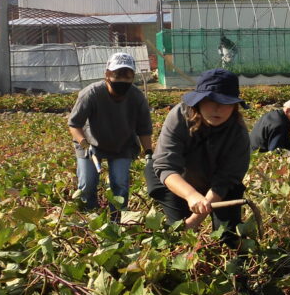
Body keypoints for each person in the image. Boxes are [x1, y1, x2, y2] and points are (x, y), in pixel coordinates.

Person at [146, 69, 250, 245]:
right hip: (175, 180)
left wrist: (195, 219)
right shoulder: (179, 117)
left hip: (215, 184)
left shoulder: (238, 133)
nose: (217, 109)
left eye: (225, 102)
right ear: (198, 102)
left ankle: (232, 255)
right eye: (211, 101)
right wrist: (191, 195)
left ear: (234, 106)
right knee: (178, 232)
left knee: (228, 236)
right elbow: (166, 166)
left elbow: (226, 180)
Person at [67, 52, 152, 212]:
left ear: (133, 77)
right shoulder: (91, 93)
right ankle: (90, 214)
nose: (122, 81)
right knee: (87, 184)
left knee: (120, 184)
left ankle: (117, 217)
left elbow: (144, 129)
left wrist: (148, 154)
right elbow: (74, 124)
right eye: (117, 75)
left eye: (127, 77)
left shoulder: (136, 97)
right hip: (90, 143)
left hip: (122, 145)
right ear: (107, 74)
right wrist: (84, 144)